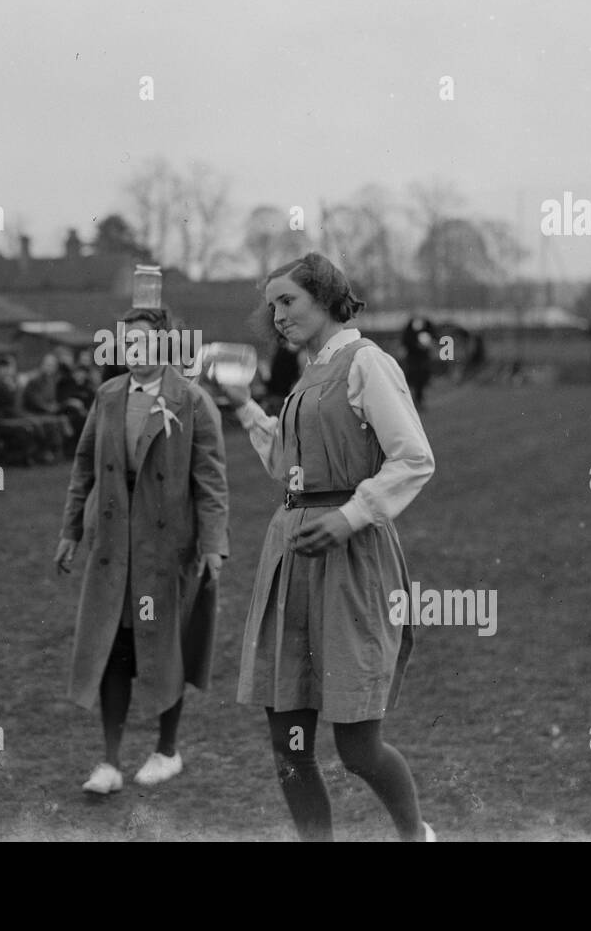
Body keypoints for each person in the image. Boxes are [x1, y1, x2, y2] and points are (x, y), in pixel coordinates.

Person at [221, 252, 436, 842]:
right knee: (288, 741)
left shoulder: (367, 362)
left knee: (358, 747)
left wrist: (351, 516)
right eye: (273, 305)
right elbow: (288, 469)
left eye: (288, 300)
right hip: (290, 558)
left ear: (325, 297)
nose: (278, 315)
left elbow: (414, 457)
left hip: (352, 559)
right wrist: (242, 403)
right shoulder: (307, 374)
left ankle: (417, 836)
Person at [54, 306, 229, 795]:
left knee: (164, 645)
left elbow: (211, 481)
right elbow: (83, 469)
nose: (134, 351)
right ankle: (108, 762)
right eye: (126, 342)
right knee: (113, 647)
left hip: (166, 546)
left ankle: (167, 750)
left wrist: (214, 545)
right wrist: (70, 530)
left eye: (144, 342)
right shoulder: (107, 397)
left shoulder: (191, 400)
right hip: (113, 545)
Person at [22, 352, 68, 462]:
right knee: (51, 422)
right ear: (42, 365)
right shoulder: (34, 381)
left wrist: (54, 407)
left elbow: (51, 399)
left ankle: (56, 452)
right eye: (47, 365)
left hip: (45, 412)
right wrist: (49, 408)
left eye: (52, 365)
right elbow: (34, 401)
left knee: (62, 420)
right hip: (32, 412)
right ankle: (46, 452)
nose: (50, 368)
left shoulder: (51, 381)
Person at [399, 315, 436, 411]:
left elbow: (434, 337)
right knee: (414, 379)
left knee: (422, 379)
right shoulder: (410, 328)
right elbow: (406, 341)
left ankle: (419, 399)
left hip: (423, 358)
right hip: (413, 359)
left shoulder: (427, 326)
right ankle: (415, 400)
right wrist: (416, 346)